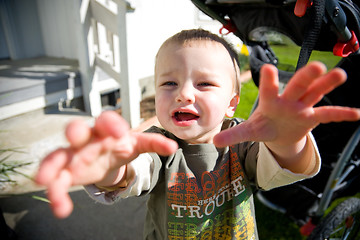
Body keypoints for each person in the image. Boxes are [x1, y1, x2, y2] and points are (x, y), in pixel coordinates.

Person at [36, 29, 360, 239]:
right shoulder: (158, 144)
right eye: (169, 83)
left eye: (204, 83)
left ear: (233, 103)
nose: (184, 94)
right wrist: (109, 167)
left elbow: (281, 168)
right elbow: (133, 172)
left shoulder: (242, 140)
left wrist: (287, 139)